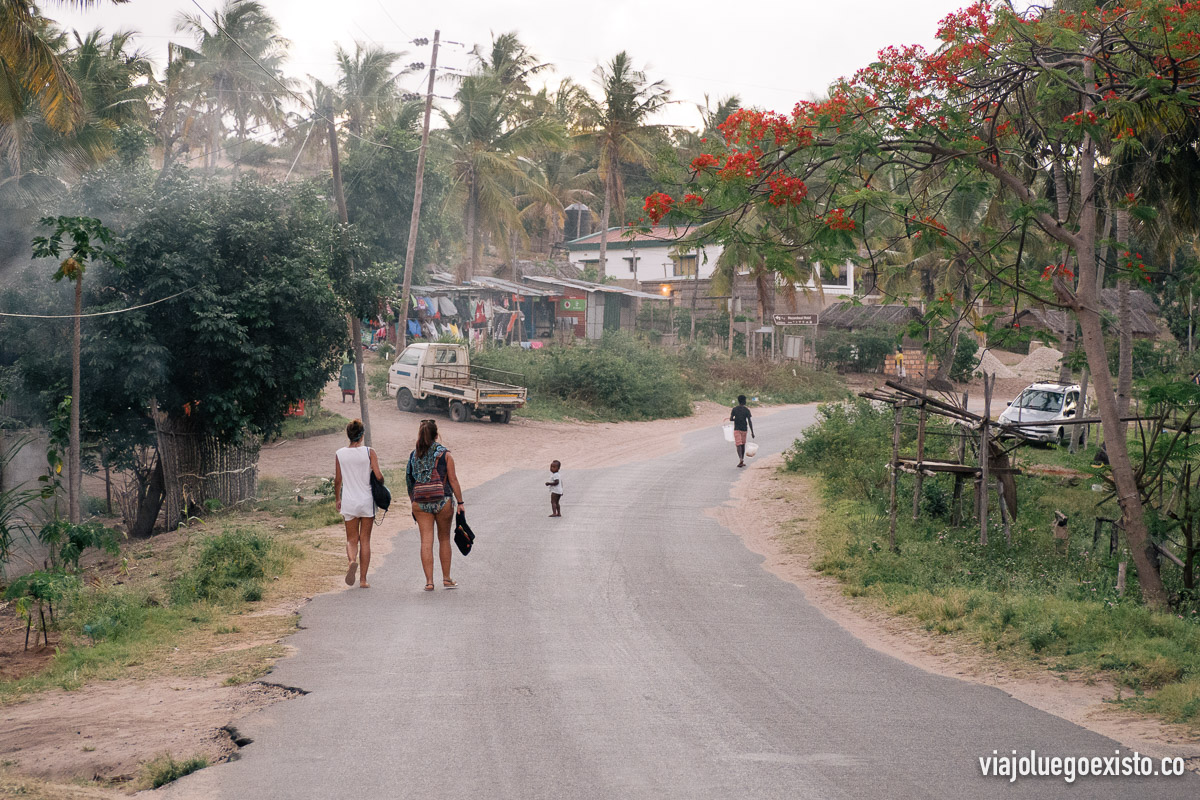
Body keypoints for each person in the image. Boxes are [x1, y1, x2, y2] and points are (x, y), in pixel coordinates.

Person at [406, 419, 465, 591]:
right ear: (436, 435)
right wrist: (460, 503)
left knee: (426, 541)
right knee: (444, 539)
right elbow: (453, 480)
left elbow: (409, 481)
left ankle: (429, 582)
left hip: (420, 502)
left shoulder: (413, 455)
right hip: (442, 500)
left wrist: (413, 502)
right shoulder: (445, 455)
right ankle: (446, 579)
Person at [333, 419, 383, 588]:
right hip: (366, 501)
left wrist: (337, 499)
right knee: (365, 540)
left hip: (349, 501)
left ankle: (352, 561)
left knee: (351, 539)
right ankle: (363, 580)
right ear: (362, 436)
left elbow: (338, 480)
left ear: (349, 435)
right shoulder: (369, 452)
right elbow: (379, 476)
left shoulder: (340, 453)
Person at [730, 395, 755, 468]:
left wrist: (736, 419)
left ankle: (740, 458)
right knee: (743, 444)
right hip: (744, 429)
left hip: (737, 429)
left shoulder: (734, 409)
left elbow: (731, 419)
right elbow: (749, 421)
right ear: (744, 401)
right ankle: (742, 459)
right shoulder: (746, 410)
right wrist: (752, 432)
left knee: (738, 444)